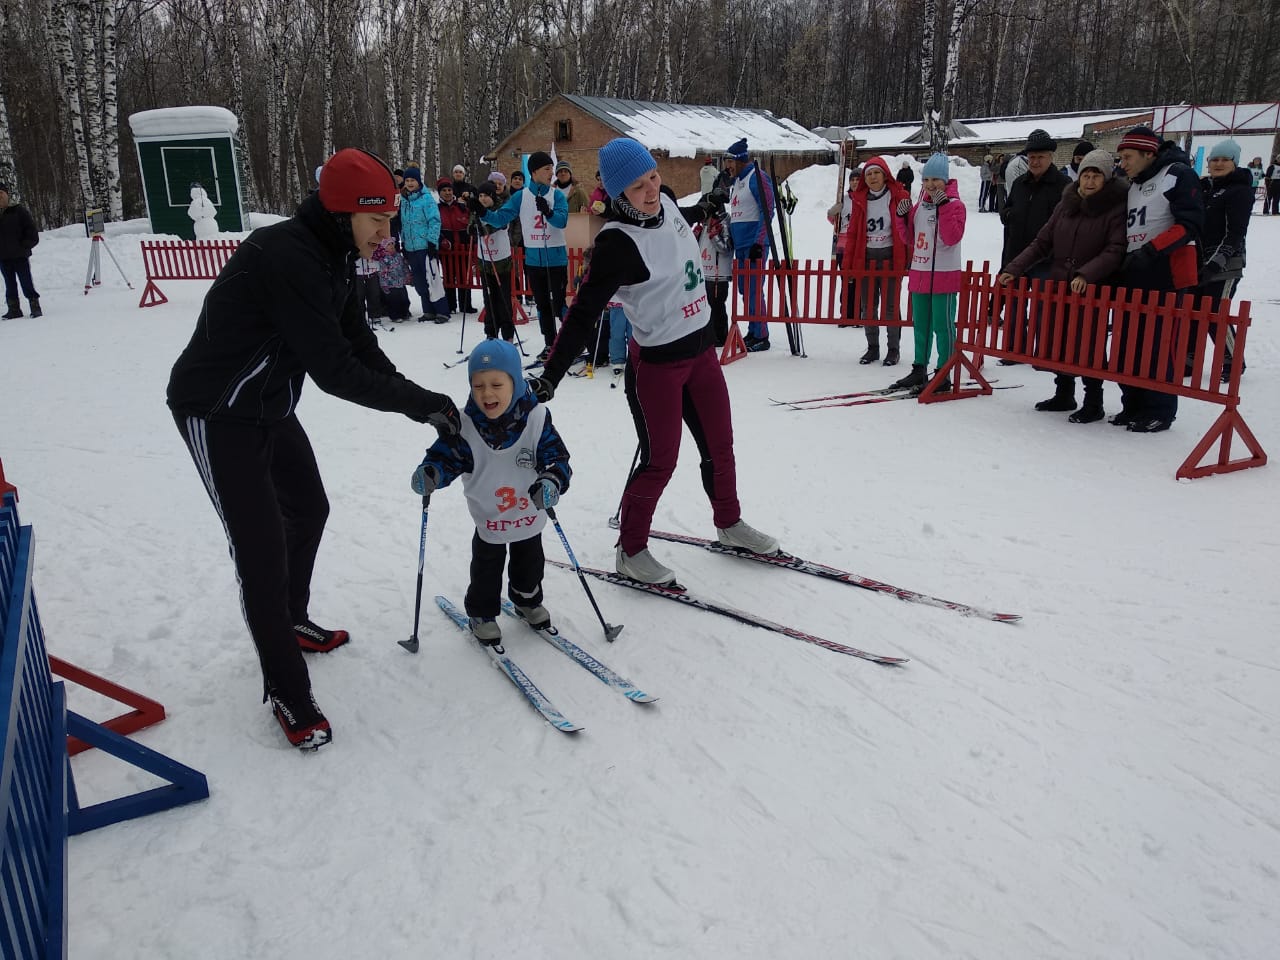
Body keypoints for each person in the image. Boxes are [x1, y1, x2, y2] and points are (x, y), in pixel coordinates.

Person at [165, 148, 461, 751]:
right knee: (261, 551)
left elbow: (360, 345)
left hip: (269, 406)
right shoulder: (288, 258)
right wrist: (417, 404)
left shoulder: (335, 256)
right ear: (343, 211)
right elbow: (335, 372)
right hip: (217, 411)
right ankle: (286, 690)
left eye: (389, 219)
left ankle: (291, 619)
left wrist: (425, 400)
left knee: (310, 509)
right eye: (377, 220)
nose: (387, 232)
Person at [527, 137, 779, 585]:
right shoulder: (614, 245)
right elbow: (583, 314)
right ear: (618, 194)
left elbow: (679, 219)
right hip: (657, 369)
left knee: (721, 446)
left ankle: (730, 523)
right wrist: (551, 376)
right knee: (660, 460)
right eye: (637, 186)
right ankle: (631, 549)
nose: (650, 190)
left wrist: (709, 206)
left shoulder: (663, 202)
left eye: (653, 178)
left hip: (701, 353)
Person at [411, 339, 571, 643]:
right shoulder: (465, 425)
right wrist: (433, 472)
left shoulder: (536, 419)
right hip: (490, 519)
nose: (487, 393)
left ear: (516, 381)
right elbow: (446, 456)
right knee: (486, 570)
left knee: (530, 566)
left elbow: (556, 457)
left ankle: (526, 599)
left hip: (528, 516)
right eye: (478, 385)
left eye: (497, 384)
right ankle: (482, 612)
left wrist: (551, 480)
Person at [998, 149, 1127, 423]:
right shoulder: (1065, 205)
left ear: (1106, 179)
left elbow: (1115, 249)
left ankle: (1094, 401)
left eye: (1096, 176)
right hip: (1059, 284)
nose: (1089, 182)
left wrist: (1086, 274)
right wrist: (1014, 268)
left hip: (1091, 287)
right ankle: (1064, 393)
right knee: (1060, 339)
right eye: (1086, 176)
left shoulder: (1114, 208)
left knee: (1088, 344)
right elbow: (1042, 243)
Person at [1112, 125, 1203, 433]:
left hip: (1166, 272)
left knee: (1159, 344)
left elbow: (1190, 223)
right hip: (1136, 270)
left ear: (1148, 154)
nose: (1122, 163)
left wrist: (1152, 250)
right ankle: (1133, 404)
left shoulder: (1177, 174)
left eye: (1127, 157)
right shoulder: (1134, 183)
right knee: (1129, 342)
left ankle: (1160, 409)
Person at [889, 152, 967, 392]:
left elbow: (952, 237)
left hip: (943, 275)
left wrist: (942, 207)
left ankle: (943, 372)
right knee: (921, 325)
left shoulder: (956, 206)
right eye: (926, 180)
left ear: (946, 180)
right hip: (920, 273)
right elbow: (909, 238)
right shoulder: (920, 206)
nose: (931, 185)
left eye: (936, 180)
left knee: (942, 326)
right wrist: (902, 218)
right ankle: (919, 368)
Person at [481, 151, 568, 362]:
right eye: (547, 169)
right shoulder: (521, 196)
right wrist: (483, 213)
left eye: (552, 169)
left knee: (559, 304)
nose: (551, 173)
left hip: (556, 258)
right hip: (534, 259)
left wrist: (548, 213)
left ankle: (567, 343)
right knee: (542, 305)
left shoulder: (556, 195)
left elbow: (562, 221)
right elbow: (502, 217)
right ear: (534, 172)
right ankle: (550, 343)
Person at [998, 129, 1070, 366]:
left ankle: (1042, 352)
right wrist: (1008, 215)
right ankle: (1015, 349)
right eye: (1031, 158)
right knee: (1016, 305)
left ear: (1051, 157)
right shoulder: (1020, 183)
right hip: (1017, 252)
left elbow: (1067, 220)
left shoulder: (1062, 185)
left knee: (1043, 308)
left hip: (1045, 257)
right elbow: (1006, 208)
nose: (1035, 162)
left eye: (1040, 157)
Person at [841, 156, 910, 366]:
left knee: (891, 306)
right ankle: (872, 347)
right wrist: (849, 265)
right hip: (867, 257)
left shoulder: (898, 196)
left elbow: (908, 229)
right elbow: (852, 233)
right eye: (869, 174)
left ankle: (893, 349)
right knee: (868, 306)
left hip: (890, 256)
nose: (872, 177)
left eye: (876, 173)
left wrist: (908, 258)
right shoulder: (859, 199)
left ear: (885, 174)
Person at [1194, 138, 1253, 382]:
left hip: (1226, 264)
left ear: (1234, 163)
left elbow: (1235, 232)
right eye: (1214, 159)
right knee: (1196, 309)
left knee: (1216, 311)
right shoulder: (1205, 188)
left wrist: (1216, 263)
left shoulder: (1239, 191)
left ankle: (1233, 360)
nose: (1218, 164)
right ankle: (1189, 359)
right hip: (1200, 260)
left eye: (1224, 160)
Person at [723, 138, 774, 351]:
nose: (727, 166)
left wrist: (759, 241)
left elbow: (767, 209)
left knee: (754, 289)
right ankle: (754, 330)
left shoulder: (756, 176)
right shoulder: (737, 182)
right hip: (741, 245)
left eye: (729, 161)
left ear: (741, 160)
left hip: (754, 245)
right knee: (745, 289)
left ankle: (761, 335)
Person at [399, 165, 451, 322]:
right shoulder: (403, 200)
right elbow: (403, 223)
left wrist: (432, 241)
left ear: (418, 181)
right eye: (407, 180)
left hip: (425, 245)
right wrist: (404, 243)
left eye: (412, 180)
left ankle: (442, 311)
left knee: (432, 279)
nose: (409, 183)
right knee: (420, 281)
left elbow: (435, 221)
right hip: (411, 246)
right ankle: (428, 310)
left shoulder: (426, 198)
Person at [473, 181, 517, 342]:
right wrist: (472, 227)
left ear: (493, 196)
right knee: (489, 300)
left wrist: (479, 223)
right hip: (485, 260)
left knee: (503, 300)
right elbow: (471, 228)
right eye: (480, 196)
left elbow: (494, 226)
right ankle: (491, 333)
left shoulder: (501, 209)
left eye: (486, 196)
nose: (483, 199)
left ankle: (508, 336)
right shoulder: (477, 210)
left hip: (501, 261)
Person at [0, 183, 40, 320]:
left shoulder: (18, 211)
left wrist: (25, 245)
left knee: (26, 281)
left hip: (19, 255)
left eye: (1, 193)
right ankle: (14, 309)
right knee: (9, 283)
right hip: (3, 257)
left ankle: (35, 306)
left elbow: (32, 231)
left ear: (6, 194)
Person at [696, 198, 733, 346]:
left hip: (719, 274)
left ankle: (721, 336)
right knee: (706, 306)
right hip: (704, 273)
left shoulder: (724, 223)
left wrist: (715, 235)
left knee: (717, 306)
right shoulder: (705, 225)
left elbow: (726, 248)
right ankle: (710, 334)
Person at [436, 177, 475, 315]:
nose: (447, 193)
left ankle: (466, 305)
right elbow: (434, 227)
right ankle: (451, 305)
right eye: (444, 190)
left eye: (449, 190)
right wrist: (441, 240)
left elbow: (470, 223)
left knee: (465, 276)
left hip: (462, 247)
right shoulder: (436, 209)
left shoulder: (462, 207)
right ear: (439, 192)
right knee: (449, 277)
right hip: (446, 249)